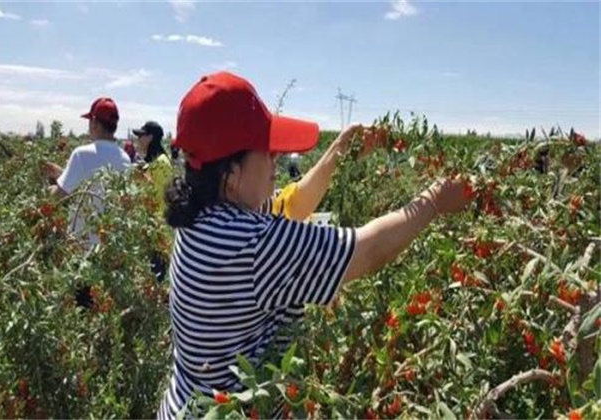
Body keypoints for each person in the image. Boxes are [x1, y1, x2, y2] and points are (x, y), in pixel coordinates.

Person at [157, 71, 471, 419]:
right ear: (231, 174)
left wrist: (338, 153)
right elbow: (368, 251)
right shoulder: (254, 243)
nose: (277, 160)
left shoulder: (205, 216)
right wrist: (433, 202)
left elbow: (292, 205)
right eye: (268, 152)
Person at [44, 97, 131, 306]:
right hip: (111, 252)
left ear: (94, 122)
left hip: (82, 249)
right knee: (102, 310)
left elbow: (58, 196)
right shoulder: (125, 158)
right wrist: (62, 173)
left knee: (79, 310)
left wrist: (45, 190)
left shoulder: (81, 154)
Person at [132, 120, 172, 282]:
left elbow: (159, 195)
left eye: (141, 136)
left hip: (157, 230)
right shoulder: (152, 162)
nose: (138, 140)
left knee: (155, 277)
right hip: (149, 228)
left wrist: (143, 177)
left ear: (150, 138)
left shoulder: (161, 163)